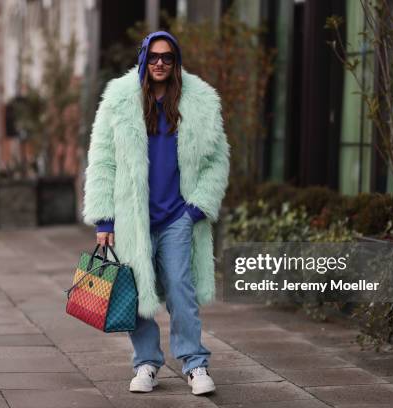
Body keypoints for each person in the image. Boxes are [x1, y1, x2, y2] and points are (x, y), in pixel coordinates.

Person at [82, 31, 230, 396]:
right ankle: (146, 362)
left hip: (178, 216)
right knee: (137, 293)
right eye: (153, 57)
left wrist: (196, 208)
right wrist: (104, 218)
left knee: (181, 290)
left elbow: (217, 160)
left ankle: (195, 363)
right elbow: (102, 160)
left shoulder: (200, 102)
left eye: (167, 57)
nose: (160, 63)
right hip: (132, 217)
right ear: (143, 59)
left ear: (176, 61)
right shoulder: (118, 100)